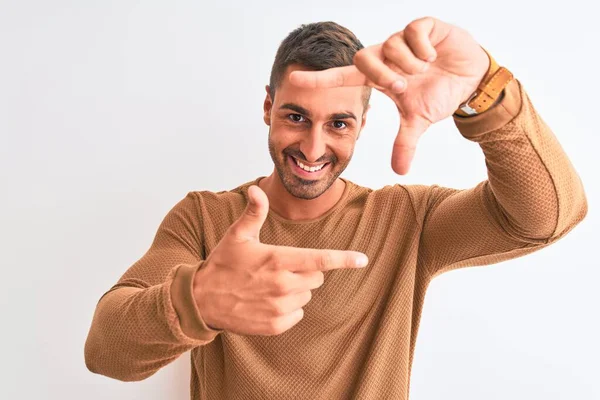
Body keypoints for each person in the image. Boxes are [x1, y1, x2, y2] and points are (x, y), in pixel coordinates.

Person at [84, 17, 588, 399]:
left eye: (339, 124)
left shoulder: (407, 221)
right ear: (268, 106)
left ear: (364, 124)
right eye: (296, 117)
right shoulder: (204, 218)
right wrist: (198, 300)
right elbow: (106, 352)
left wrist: (484, 92)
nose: (312, 147)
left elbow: (547, 217)